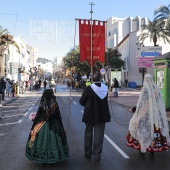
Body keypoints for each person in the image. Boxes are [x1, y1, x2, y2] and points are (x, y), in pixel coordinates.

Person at [126, 74, 170, 155]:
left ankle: (142, 146)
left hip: (145, 114)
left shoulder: (145, 89)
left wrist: (133, 109)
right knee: (155, 130)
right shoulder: (156, 88)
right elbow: (159, 103)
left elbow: (141, 104)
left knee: (140, 128)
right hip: (156, 115)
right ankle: (153, 149)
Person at [25, 89, 70, 163]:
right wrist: (60, 125)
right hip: (54, 125)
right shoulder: (54, 103)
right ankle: (55, 155)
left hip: (42, 124)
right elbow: (57, 115)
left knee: (39, 140)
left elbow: (39, 115)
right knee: (54, 141)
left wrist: (35, 123)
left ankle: (40, 156)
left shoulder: (43, 103)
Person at [79, 73, 111, 161]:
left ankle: (88, 153)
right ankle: (97, 155)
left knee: (88, 133)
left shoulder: (88, 88)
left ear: (92, 80)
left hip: (89, 114)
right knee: (99, 135)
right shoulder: (105, 88)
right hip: (101, 115)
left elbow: (81, 102)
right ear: (100, 79)